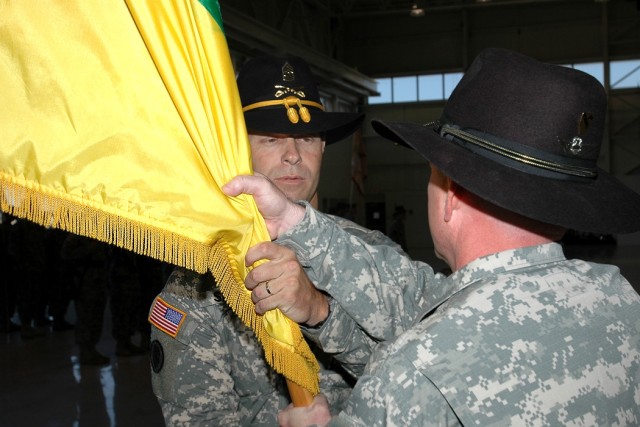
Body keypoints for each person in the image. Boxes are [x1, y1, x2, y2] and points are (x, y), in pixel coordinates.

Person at [223, 48, 640, 425]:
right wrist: (315, 294)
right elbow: (420, 297)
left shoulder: (412, 374)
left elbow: (421, 325)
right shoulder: (621, 302)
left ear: (450, 197)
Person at [148, 55, 403, 426]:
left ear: (323, 149)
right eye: (271, 139)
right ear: (237, 151)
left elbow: (423, 379)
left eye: (307, 138)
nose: (293, 156)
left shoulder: (372, 255)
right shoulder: (198, 289)